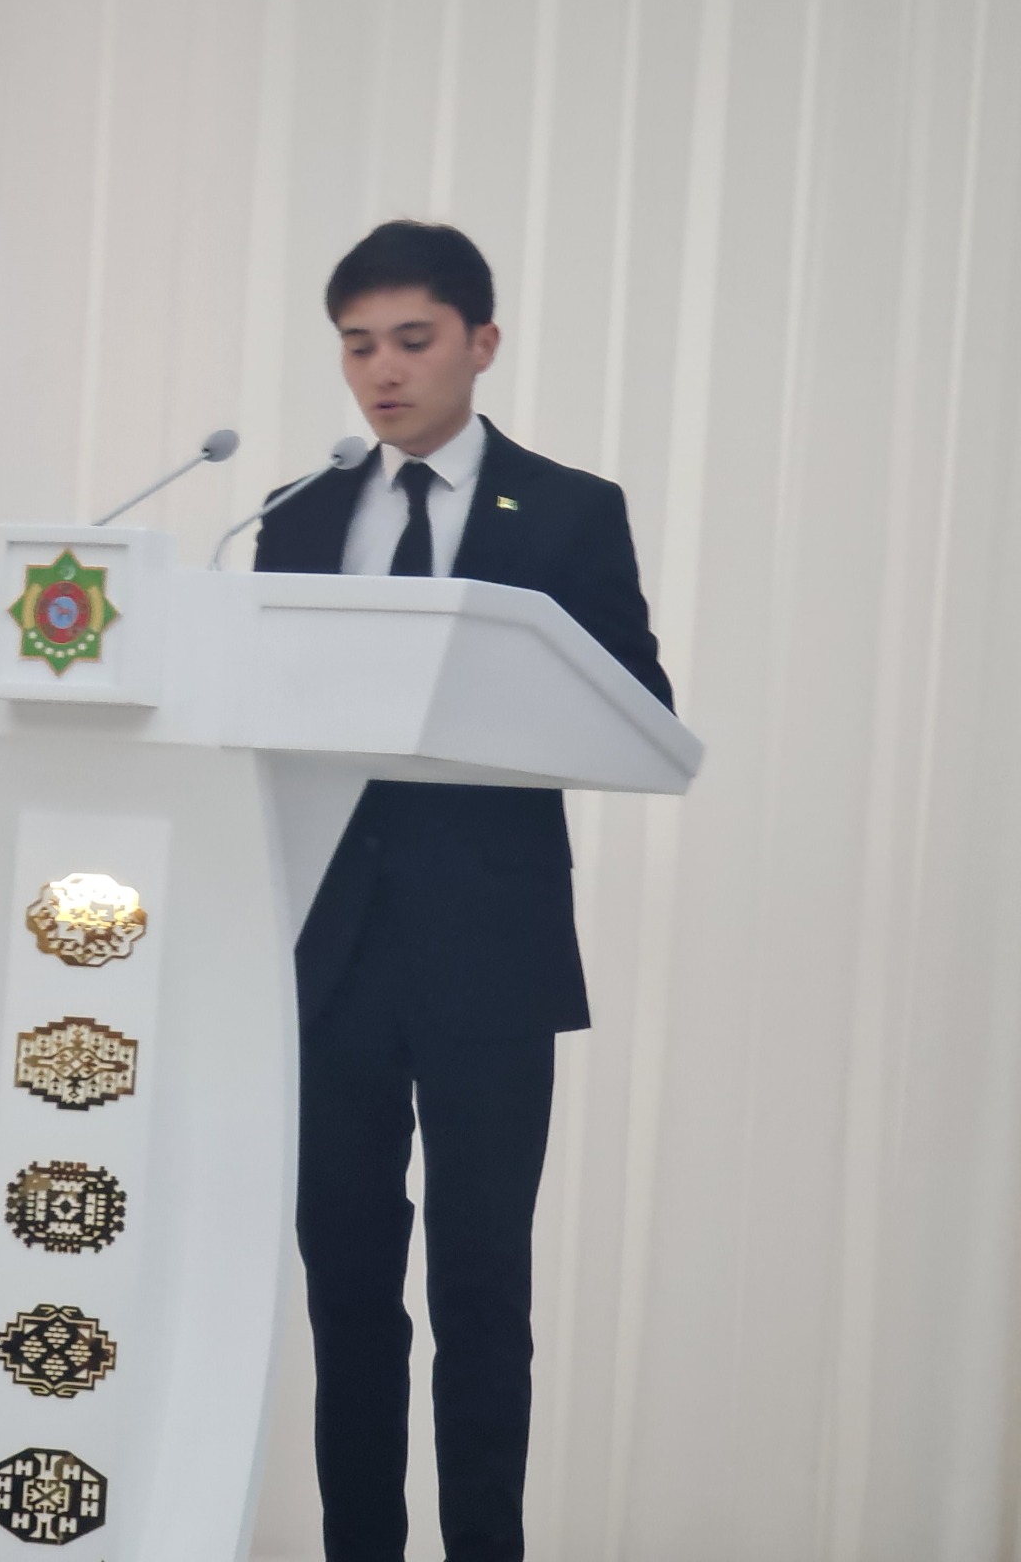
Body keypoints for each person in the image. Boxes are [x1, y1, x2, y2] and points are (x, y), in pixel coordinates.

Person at [253, 221, 673, 1562]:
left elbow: (637, 707)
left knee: (484, 1291)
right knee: (348, 1289)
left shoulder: (568, 510)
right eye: (357, 347)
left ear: (481, 343)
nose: (382, 372)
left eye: (412, 341)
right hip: (331, 957)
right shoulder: (297, 517)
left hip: (491, 953)